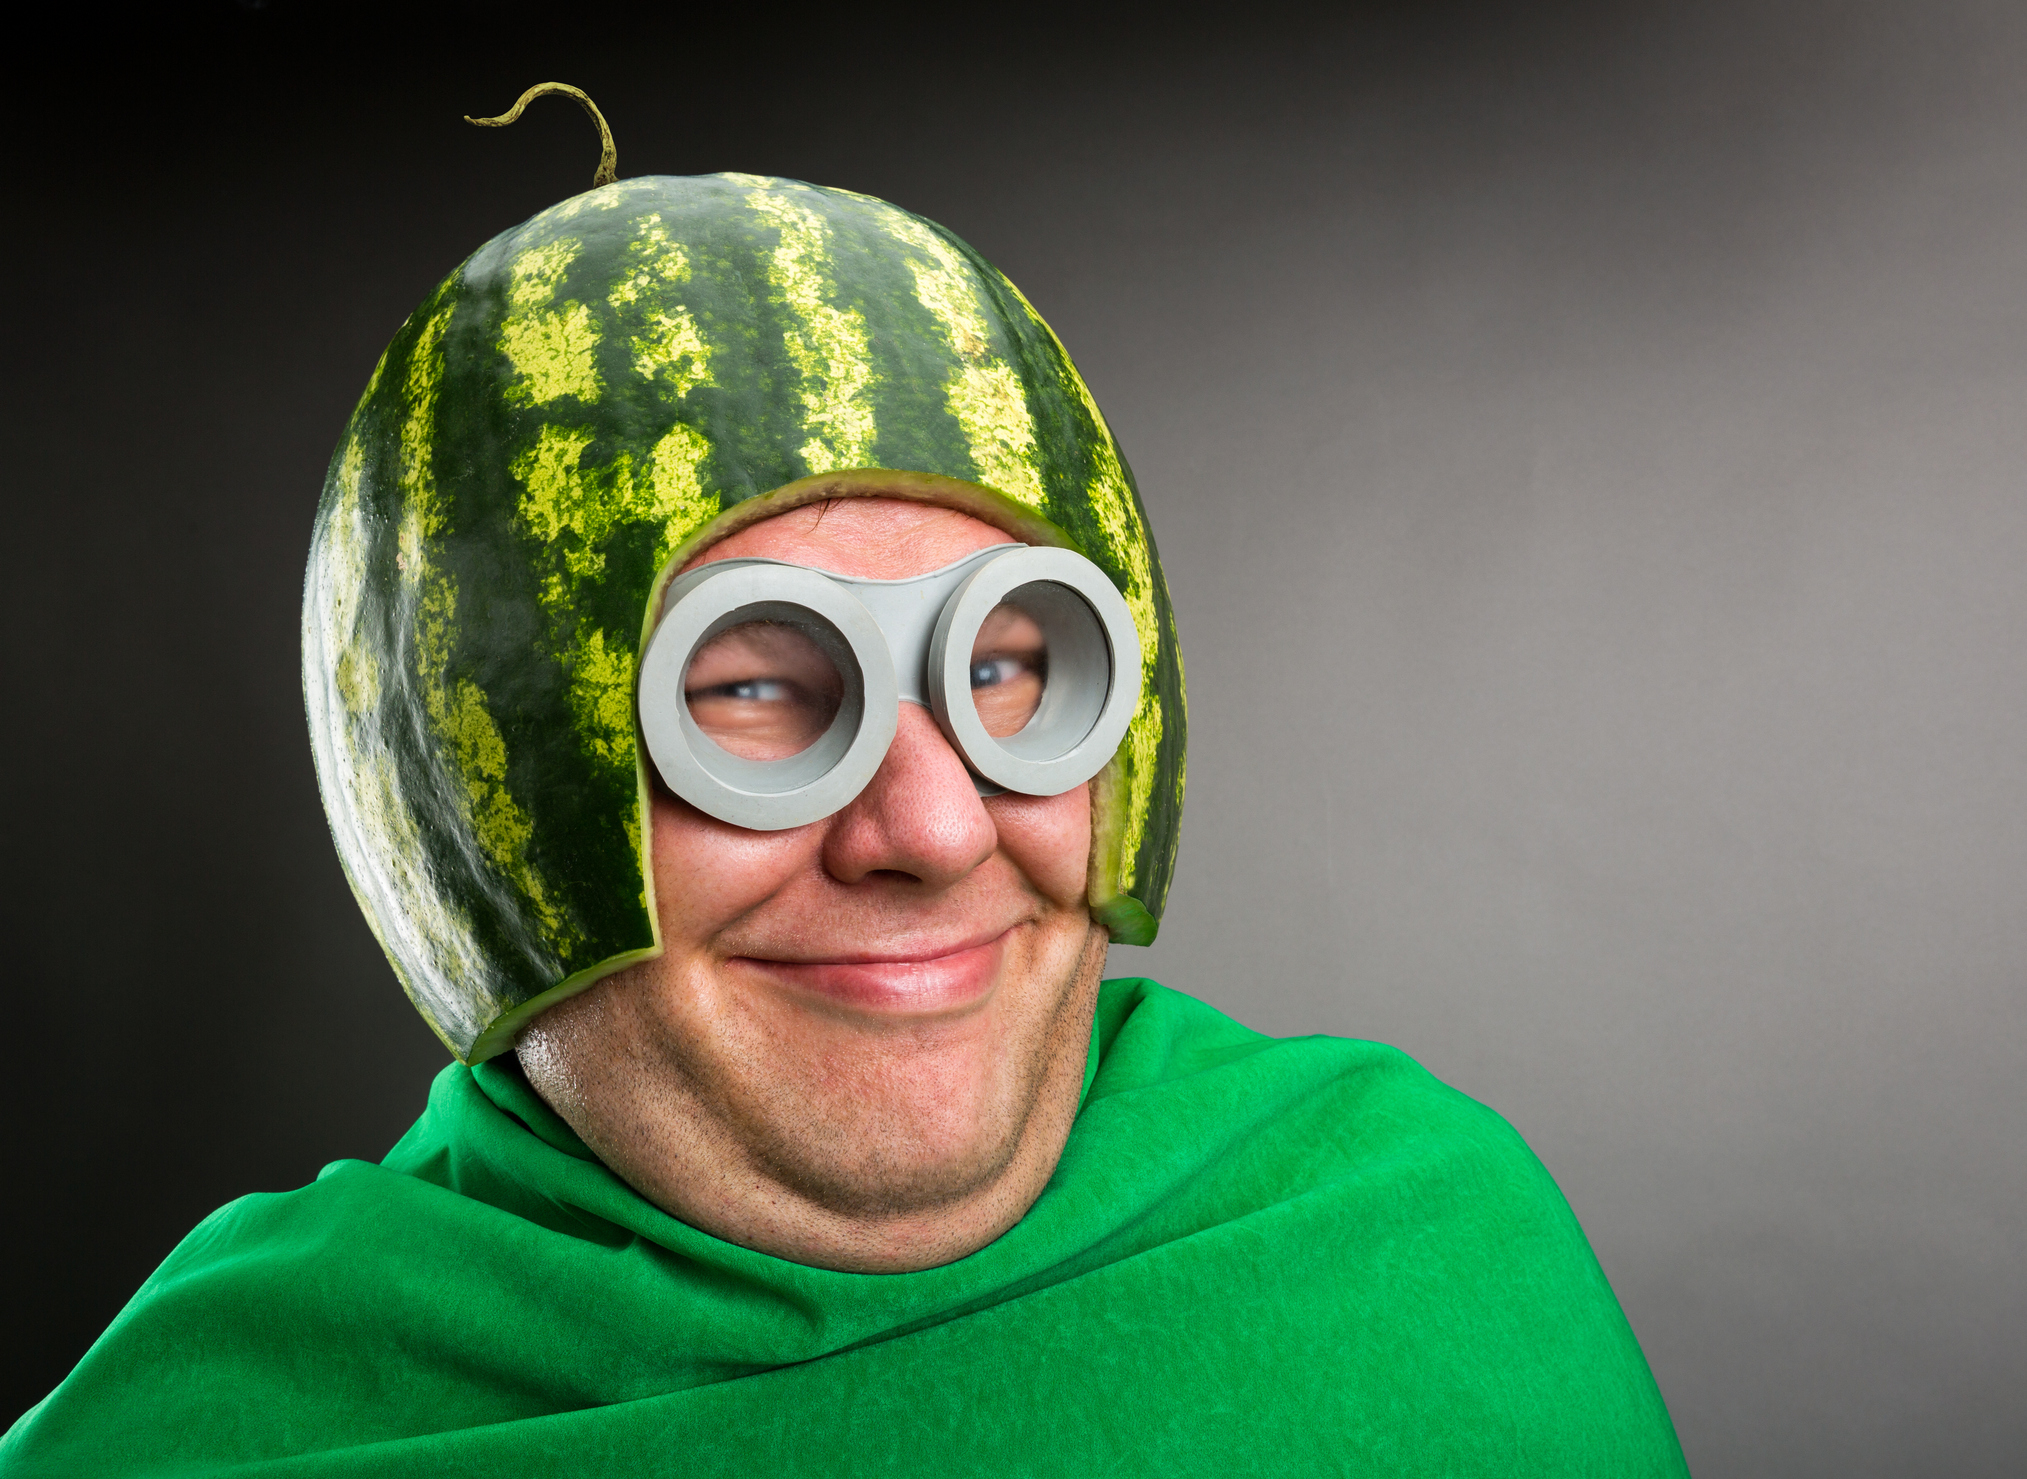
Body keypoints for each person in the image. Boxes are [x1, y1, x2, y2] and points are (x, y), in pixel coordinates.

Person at [0, 111, 1689, 1476]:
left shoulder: (1419, 1256)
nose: (937, 832)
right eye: (751, 690)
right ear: (475, 797)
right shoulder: (203, 1440)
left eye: (1014, 668)